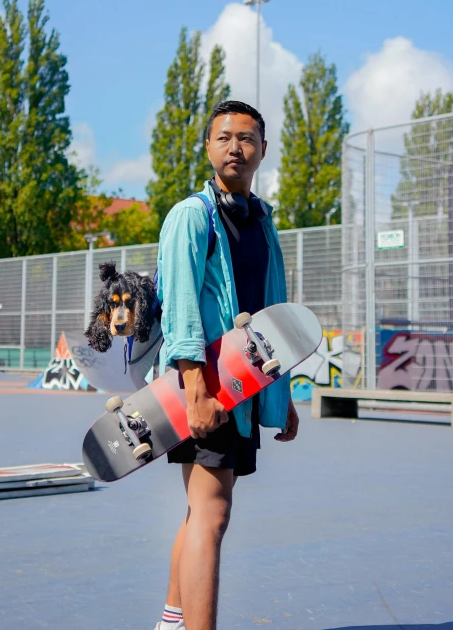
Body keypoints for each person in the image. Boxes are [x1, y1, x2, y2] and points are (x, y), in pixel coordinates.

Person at [154, 100, 299, 630]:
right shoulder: (191, 215)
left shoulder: (261, 221)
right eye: (224, 138)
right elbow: (182, 305)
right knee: (213, 513)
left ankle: (172, 620)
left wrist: (280, 395)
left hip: (243, 390)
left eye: (247, 138)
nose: (236, 147)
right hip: (207, 388)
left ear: (263, 149)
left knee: (202, 511)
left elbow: (271, 311)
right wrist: (196, 389)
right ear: (209, 147)